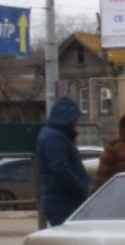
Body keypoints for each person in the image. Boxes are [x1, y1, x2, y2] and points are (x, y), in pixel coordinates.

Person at [36, 96, 90, 226]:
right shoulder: (54, 138)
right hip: (62, 202)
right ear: (66, 119)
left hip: (62, 200)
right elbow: (61, 169)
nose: (76, 122)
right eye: (74, 119)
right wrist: (82, 187)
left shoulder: (55, 135)